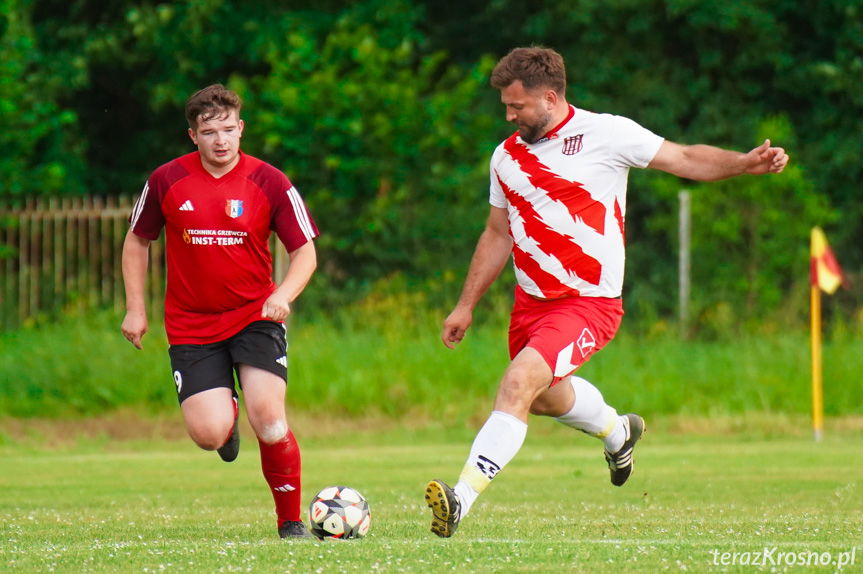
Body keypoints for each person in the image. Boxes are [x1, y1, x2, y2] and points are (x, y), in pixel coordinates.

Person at [424, 47, 789, 538]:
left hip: (587, 303)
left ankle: (460, 498)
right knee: (544, 399)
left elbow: (682, 157)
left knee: (516, 384)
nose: (508, 115)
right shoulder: (505, 157)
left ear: (550, 98)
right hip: (531, 305)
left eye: (517, 107)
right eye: (505, 106)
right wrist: (465, 305)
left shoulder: (606, 133)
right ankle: (618, 431)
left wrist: (743, 163)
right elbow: (497, 232)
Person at [121, 84, 319, 539]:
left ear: (241, 128)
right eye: (210, 132)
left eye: (229, 130)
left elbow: (304, 251)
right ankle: (224, 418)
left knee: (269, 418)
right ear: (193, 135)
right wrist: (135, 308)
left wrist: (284, 294)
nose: (221, 140)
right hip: (191, 324)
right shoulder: (167, 180)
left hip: (255, 316)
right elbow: (137, 241)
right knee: (209, 435)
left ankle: (290, 522)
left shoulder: (270, 181)